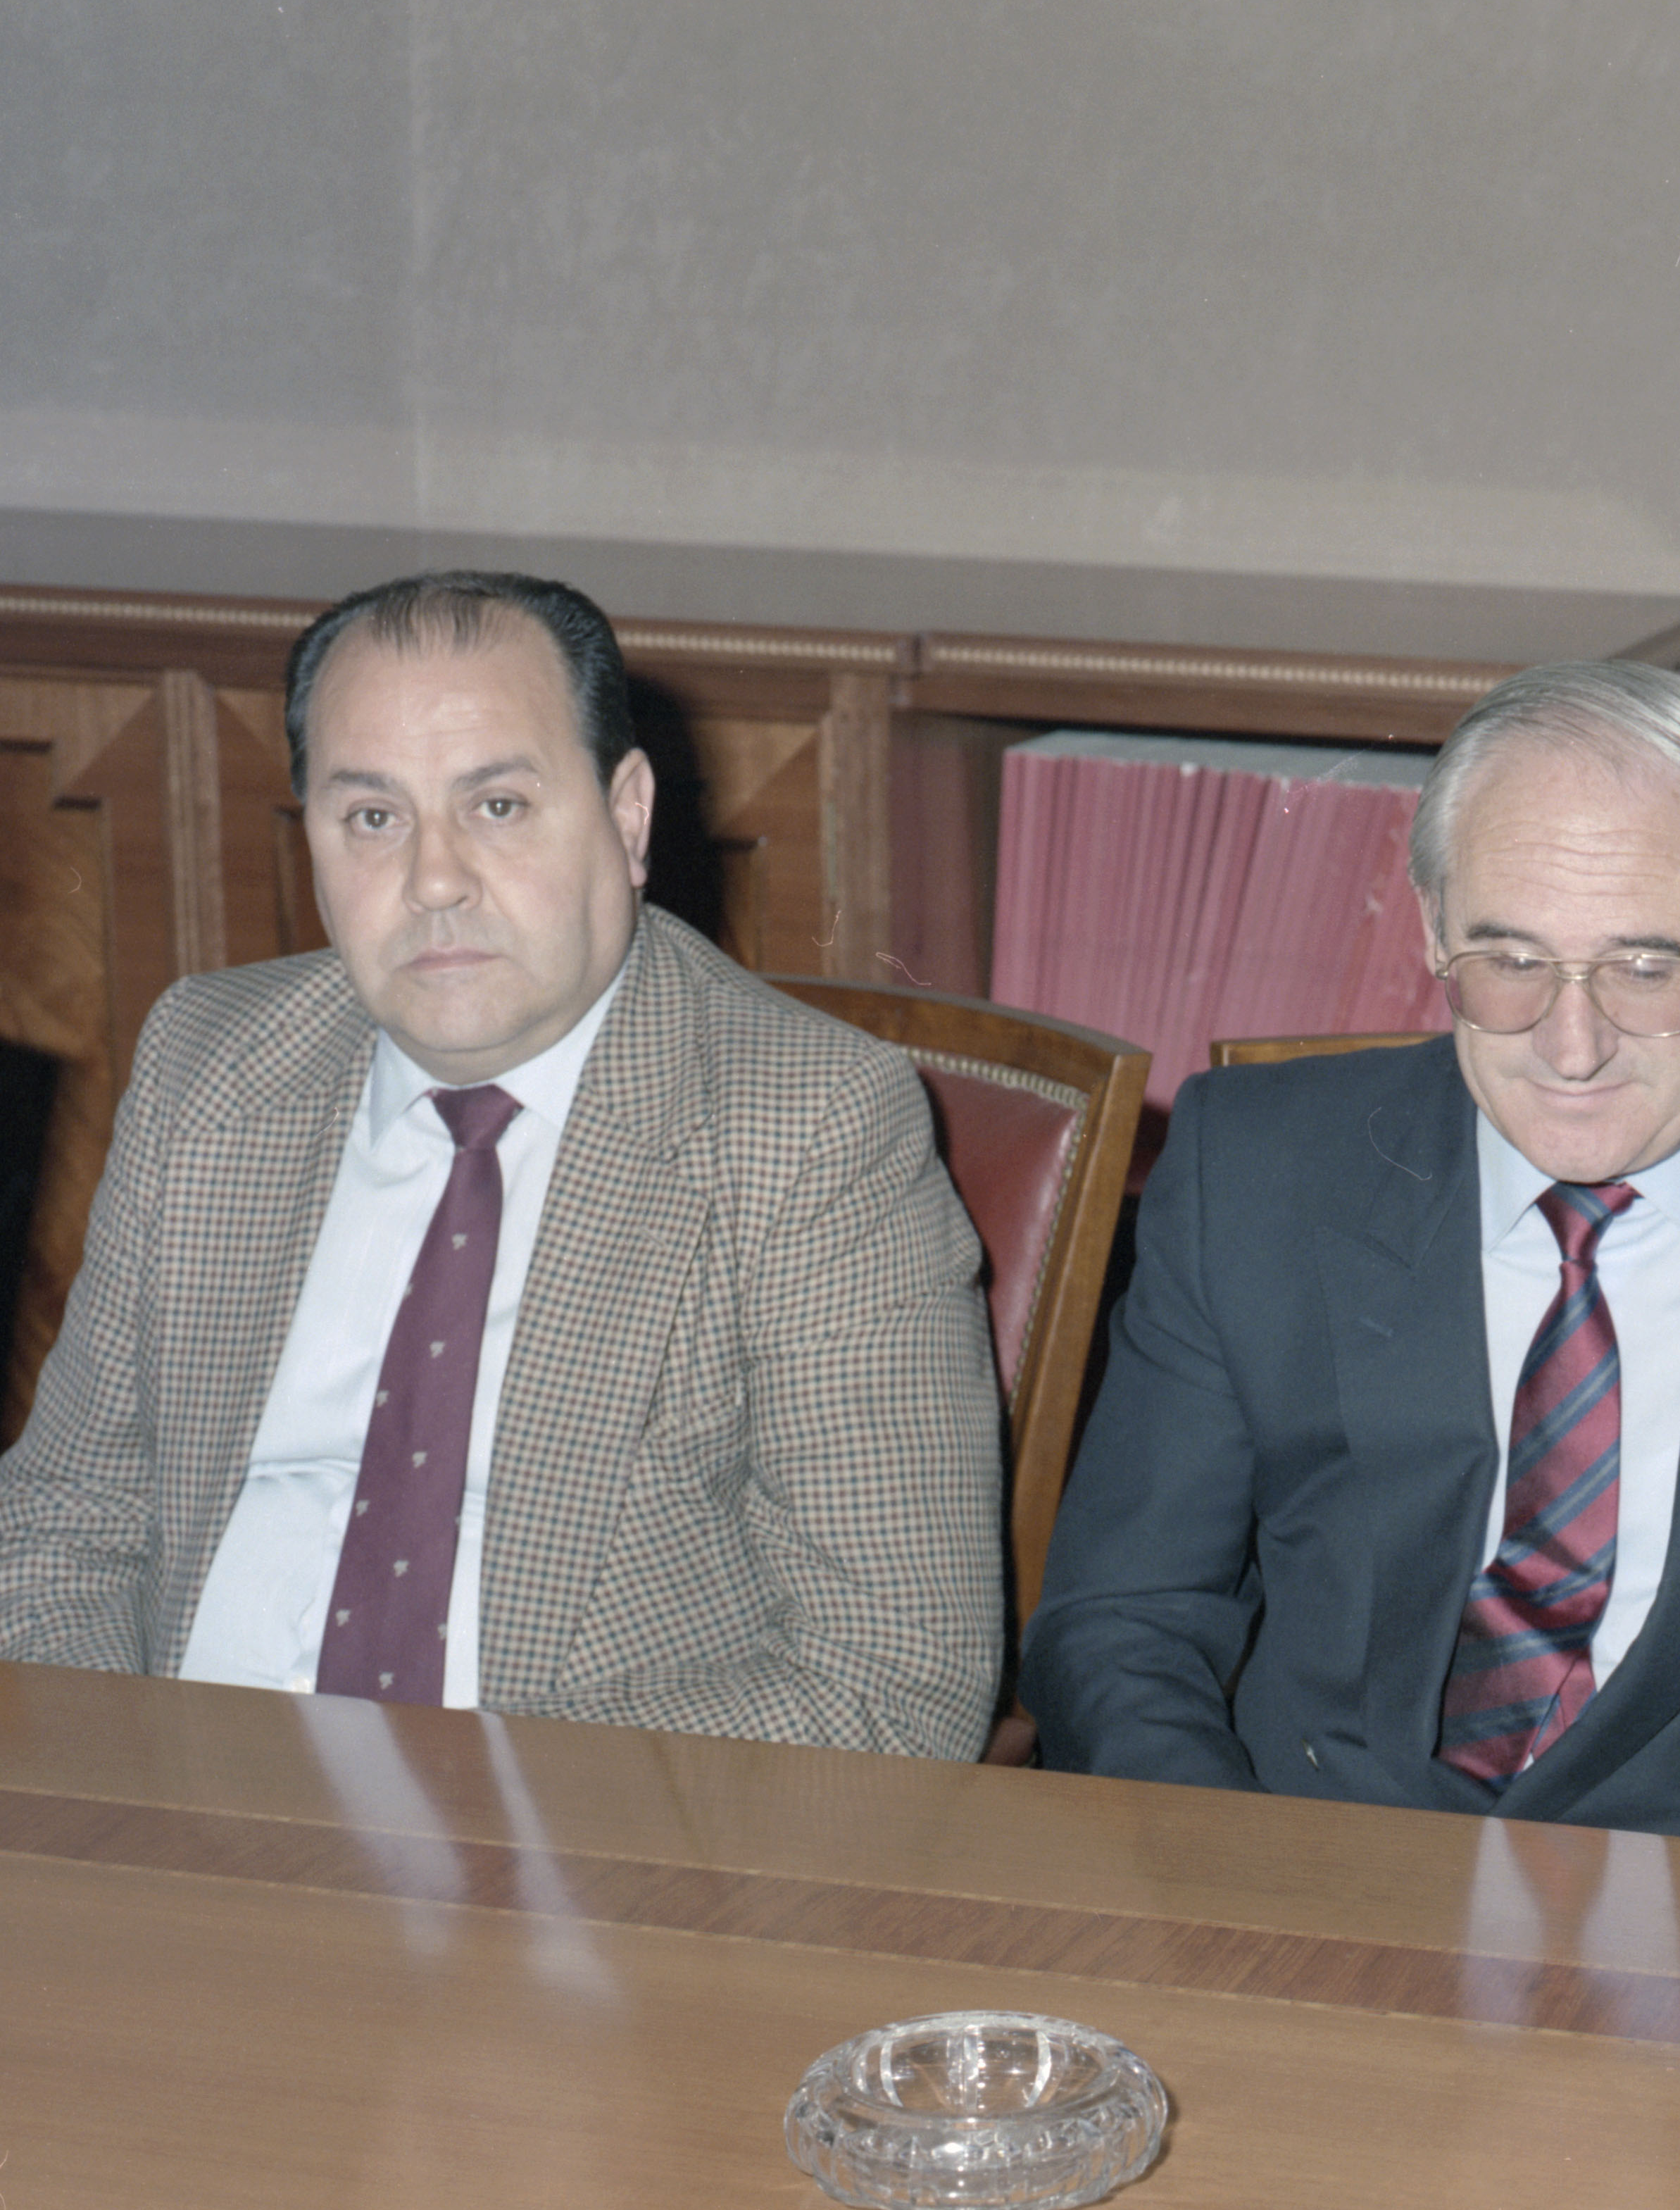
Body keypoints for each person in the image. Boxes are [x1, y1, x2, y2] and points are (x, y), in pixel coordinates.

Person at [1020, 658, 1680, 1861]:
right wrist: (1235, 1899)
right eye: (1511, 961)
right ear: (1431, 926)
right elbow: (1124, 1621)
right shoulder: (1253, 1166)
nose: (1572, 1046)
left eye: (1645, 968)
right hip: (1313, 1864)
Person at [0, 570, 1002, 1756]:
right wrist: (122, 1794)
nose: (434, 880)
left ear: (627, 817)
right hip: (175, 1797)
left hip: (566, 1831)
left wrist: (470, 1810)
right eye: (373, 818)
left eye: (499, 806)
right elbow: (60, 1527)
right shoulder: (213, 1064)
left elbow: (893, 1679)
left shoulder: (806, 1128)